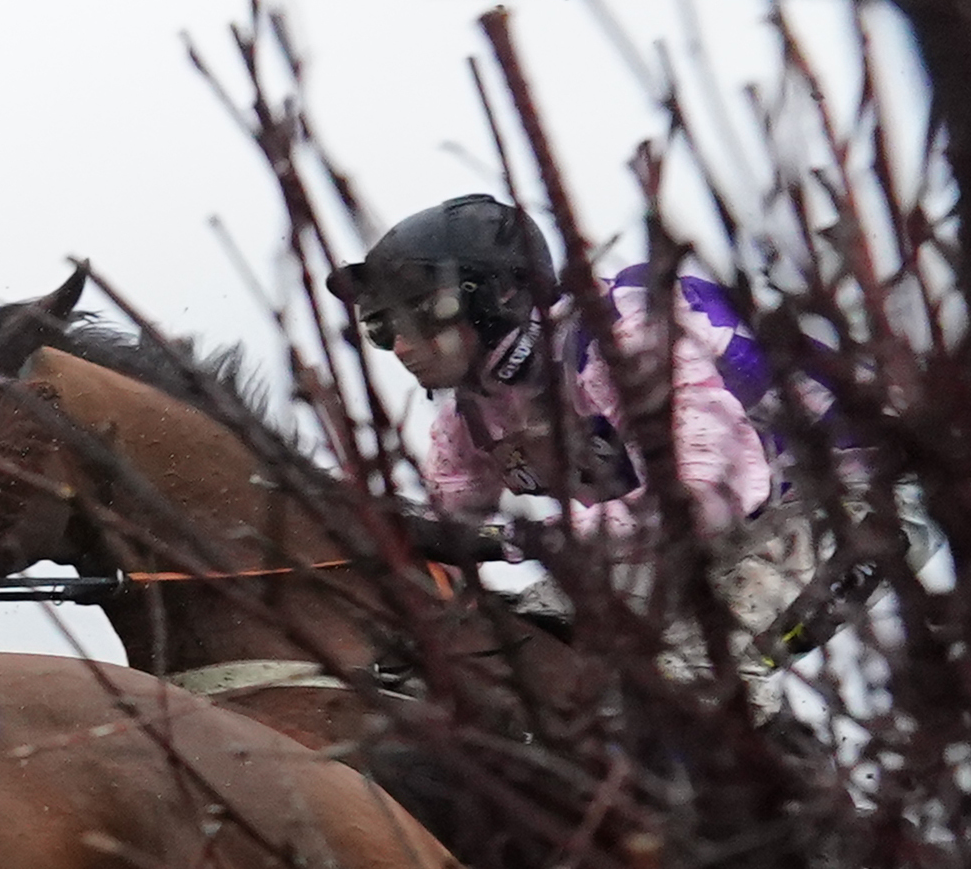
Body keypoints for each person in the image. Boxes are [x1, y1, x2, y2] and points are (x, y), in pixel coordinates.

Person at [328, 197, 820, 654]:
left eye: (423, 312)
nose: (402, 347)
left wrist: (510, 541)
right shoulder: (473, 415)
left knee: (694, 676)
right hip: (705, 535)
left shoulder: (619, 336)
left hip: (842, 499)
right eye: (381, 326)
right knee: (536, 636)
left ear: (501, 293)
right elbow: (443, 532)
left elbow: (714, 495)